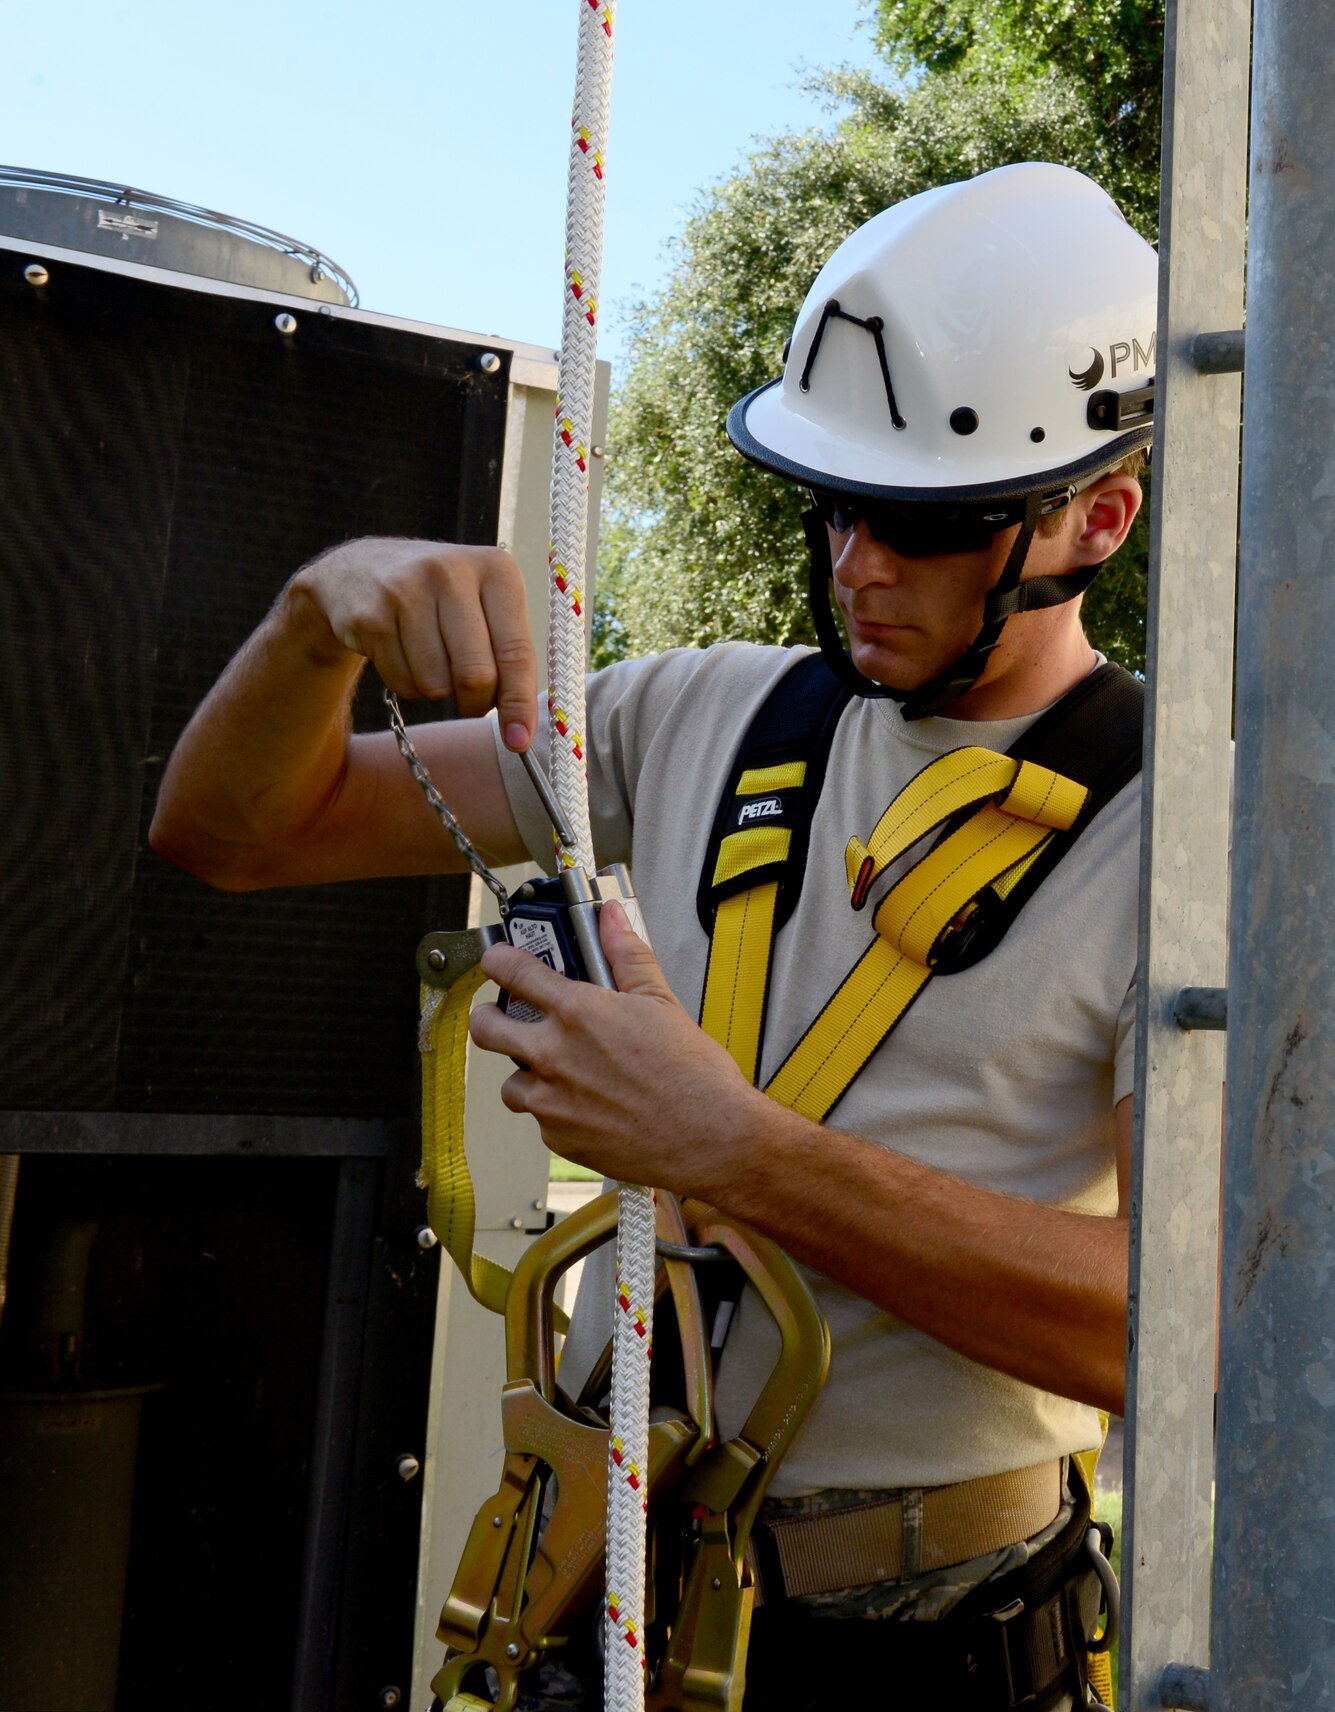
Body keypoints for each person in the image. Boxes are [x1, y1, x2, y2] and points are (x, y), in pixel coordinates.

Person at [151, 163, 1152, 1710]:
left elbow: (1179, 1335)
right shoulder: (699, 716)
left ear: (1097, 515)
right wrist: (314, 621)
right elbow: (233, 833)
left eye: (921, 523)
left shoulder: (1182, 845)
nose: (857, 564)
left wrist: (738, 1152)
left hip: (933, 1643)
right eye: (831, 505)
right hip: (608, 1578)